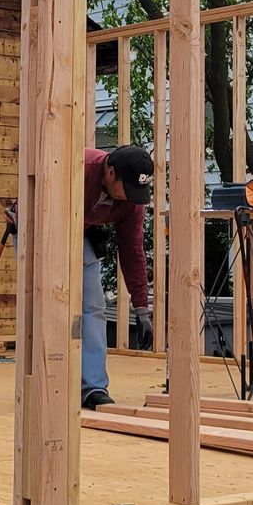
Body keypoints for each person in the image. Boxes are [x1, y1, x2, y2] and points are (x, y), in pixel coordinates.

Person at [81, 145, 154, 410]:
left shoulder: (132, 202)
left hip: (79, 232)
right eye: (129, 189)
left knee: (94, 307)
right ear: (110, 172)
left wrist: (142, 308)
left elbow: (133, 252)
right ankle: (48, 380)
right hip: (37, 224)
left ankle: (93, 388)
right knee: (49, 304)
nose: (132, 198)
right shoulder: (79, 168)